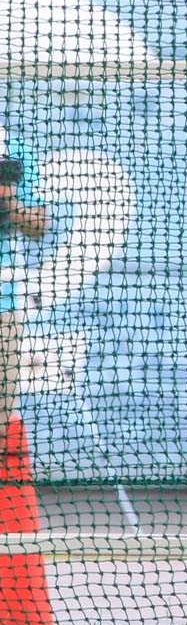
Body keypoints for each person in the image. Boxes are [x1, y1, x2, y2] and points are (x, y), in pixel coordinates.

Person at [0, 137, 47, 418]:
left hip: (3, 306)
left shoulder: (13, 150)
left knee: (2, 417)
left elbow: (39, 224)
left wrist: (9, 202)